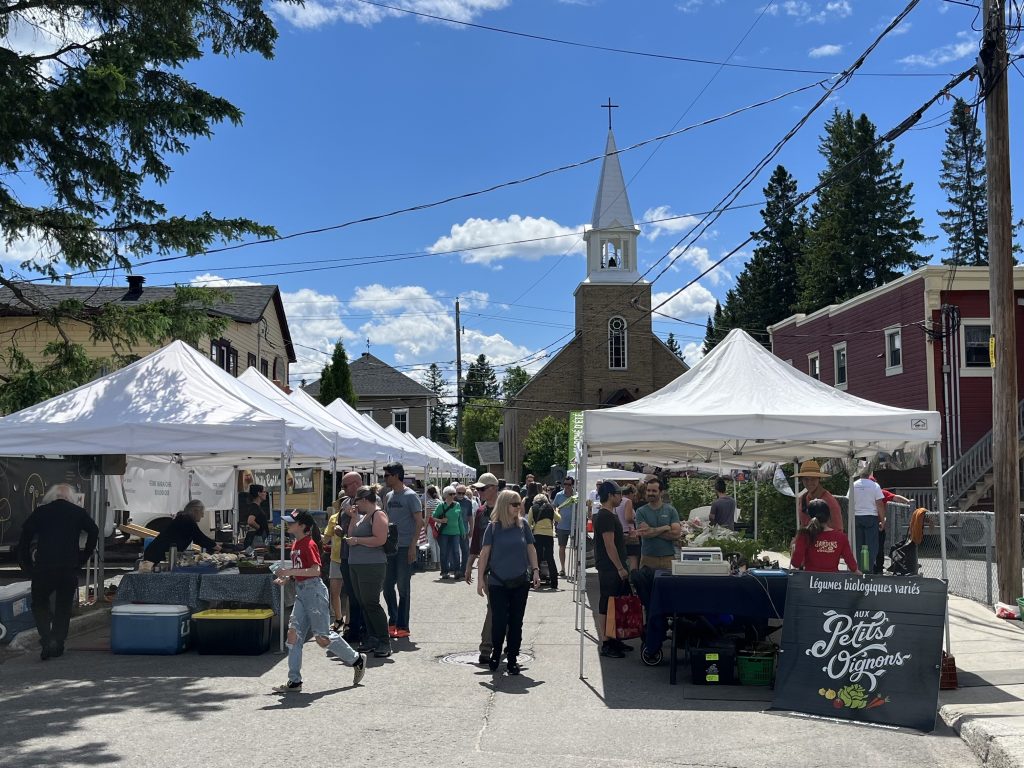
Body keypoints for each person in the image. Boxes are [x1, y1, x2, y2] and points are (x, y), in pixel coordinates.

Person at [273, 511, 366, 692]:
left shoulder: (308, 544)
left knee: (322, 637)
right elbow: (301, 569)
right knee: (293, 634)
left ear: (302, 526)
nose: (288, 525)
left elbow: (315, 571)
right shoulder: (296, 544)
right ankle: (294, 681)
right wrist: (287, 578)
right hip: (303, 592)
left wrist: (289, 572)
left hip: (314, 592)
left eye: (291, 522)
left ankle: (357, 659)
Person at [16, 484, 98, 660]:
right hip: (68, 567)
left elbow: (24, 539)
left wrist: (27, 566)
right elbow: (94, 531)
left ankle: (46, 638)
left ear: (51, 497)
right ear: (71, 498)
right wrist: (83, 556)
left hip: (44, 566)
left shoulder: (41, 512)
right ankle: (58, 641)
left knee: (39, 603)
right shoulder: (77, 512)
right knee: (63, 605)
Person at [476, 490, 541, 674]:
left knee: (516, 622)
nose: (518, 507)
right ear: (505, 505)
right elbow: (484, 554)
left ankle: (512, 658)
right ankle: (496, 653)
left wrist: (535, 571)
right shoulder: (493, 527)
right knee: (498, 621)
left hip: (520, 581)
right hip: (497, 582)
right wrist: (480, 579)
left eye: (519, 503)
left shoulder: (524, 525)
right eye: (514, 504)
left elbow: (531, 549)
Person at [346, 486, 393, 658]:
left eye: (357, 502)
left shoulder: (378, 515)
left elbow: (380, 540)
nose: (355, 505)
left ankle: (384, 641)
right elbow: (350, 533)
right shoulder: (363, 516)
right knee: (363, 602)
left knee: (371, 602)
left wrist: (357, 540)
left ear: (365, 500)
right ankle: (373, 638)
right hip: (357, 564)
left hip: (372, 565)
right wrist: (352, 518)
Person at [382, 462, 423, 639]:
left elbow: (419, 521)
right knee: (387, 587)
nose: (385, 478)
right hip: (390, 547)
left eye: (387, 475)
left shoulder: (411, 495)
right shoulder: (388, 496)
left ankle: (403, 625)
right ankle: (393, 620)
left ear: (396, 475)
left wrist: (413, 544)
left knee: (403, 587)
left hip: (406, 546)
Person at [593, 480, 632, 659]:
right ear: (610, 495)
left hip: (612, 566)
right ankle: (607, 642)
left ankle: (614, 637)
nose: (621, 497)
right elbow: (609, 545)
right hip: (609, 567)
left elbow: (613, 540)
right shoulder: (605, 516)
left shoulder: (609, 514)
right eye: (618, 494)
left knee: (614, 603)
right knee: (607, 603)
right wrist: (620, 568)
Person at [465, 472, 500, 665]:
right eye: (478, 489)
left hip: (509, 568)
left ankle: (501, 643)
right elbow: (476, 541)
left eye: (482, 488)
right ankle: (486, 648)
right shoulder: (480, 511)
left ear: (494, 488)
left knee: (504, 608)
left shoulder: (509, 508)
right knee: (494, 606)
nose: (479, 492)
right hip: (488, 569)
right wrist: (469, 566)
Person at [143, 500, 221, 566]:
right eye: (202, 512)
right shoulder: (186, 520)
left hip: (159, 555)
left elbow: (198, 538)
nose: (203, 515)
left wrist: (214, 545)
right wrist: (217, 547)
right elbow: (199, 537)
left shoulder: (184, 518)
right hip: (157, 557)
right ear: (195, 511)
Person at [791, 499, 859, 573]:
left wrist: (794, 550)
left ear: (809, 516)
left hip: (809, 581)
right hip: (832, 582)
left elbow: (796, 563)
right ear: (829, 516)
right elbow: (852, 565)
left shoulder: (805, 534)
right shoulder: (841, 537)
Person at [634, 477, 681, 572]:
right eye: (648, 490)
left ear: (661, 492)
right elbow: (645, 533)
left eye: (654, 491)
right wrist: (665, 528)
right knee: (646, 587)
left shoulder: (671, 510)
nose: (650, 493)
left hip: (668, 558)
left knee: (668, 587)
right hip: (647, 559)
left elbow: (676, 534)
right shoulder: (640, 511)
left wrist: (652, 531)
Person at [852, 468, 886, 572]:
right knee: (871, 545)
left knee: (858, 545)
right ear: (870, 473)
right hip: (871, 517)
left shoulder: (853, 485)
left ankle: (859, 568)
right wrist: (882, 520)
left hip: (857, 516)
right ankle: (869, 568)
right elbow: (879, 503)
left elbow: (849, 500)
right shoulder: (875, 486)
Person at [795, 460, 844, 532]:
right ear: (802, 480)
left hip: (826, 542)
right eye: (806, 479)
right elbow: (803, 525)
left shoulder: (829, 501)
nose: (809, 482)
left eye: (813, 479)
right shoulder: (802, 499)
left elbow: (838, 530)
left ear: (819, 479)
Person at [527, 492, 560, 589]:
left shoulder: (532, 508)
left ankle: (535, 580)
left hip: (537, 535)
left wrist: (533, 527)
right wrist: (557, 511)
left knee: (537, 559)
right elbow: (559, 519)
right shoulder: (550, 508)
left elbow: (528, 524)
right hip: (549, 535)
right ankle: (554, 583)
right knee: (550, 558)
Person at [433, 486, 466, 579]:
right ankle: (444, 572)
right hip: (444, 533)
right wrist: (441, 521)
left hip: (455, 532)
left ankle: (457, 571)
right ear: (446, 495)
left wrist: (463, 531)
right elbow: (433, 517)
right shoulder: (441, 505)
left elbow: (460, 520)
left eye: (454, 494)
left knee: (456, 552)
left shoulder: (457, 505)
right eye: (451, 494)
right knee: (444, 552)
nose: (453, 496)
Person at [553, 477, 576, 577]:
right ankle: (562, 568)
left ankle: (576, 569)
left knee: (576, 548)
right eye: (565, 484)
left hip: (575, 526)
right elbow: (554, 507)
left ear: (573, 485)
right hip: (562, 525)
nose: (566, 486)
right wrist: (556, 516)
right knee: (562, 547)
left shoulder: (576, 496)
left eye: (569, 484)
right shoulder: (559, 495)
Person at [615, 485, 641, 572]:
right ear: (630, 493)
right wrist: (636, 520)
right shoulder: (628, 501)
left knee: (622, 557)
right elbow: (628, 518)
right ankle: (633, 578)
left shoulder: (617, 502)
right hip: (630, 533)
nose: (634, 497)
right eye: (634, 495)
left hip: (620, 532)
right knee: (633, 558)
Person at [455, 484, 474, 578]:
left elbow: (470, 517)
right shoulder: (452, 500)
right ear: (455, 492)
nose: (461, 495)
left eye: (463, 493)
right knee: (455, 551)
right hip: (453, 530)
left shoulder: (468, 502)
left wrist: (472, 529)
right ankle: (456, 569)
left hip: (465, 530)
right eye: (459, 493)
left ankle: (463, 570)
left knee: (465, 551)